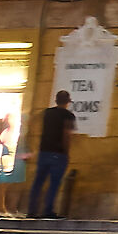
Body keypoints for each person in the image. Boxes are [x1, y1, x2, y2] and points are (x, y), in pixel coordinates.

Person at [26, 90, 76, 220]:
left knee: (38, 182)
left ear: (56, 100)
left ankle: (31, 210)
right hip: (58, 153)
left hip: (44, 152)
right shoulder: (68, 115)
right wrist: (66, 152)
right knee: (54, 183)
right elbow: (67, 134)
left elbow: (34, 122)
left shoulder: (47, 113)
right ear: (67, 102)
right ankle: (48, 210)